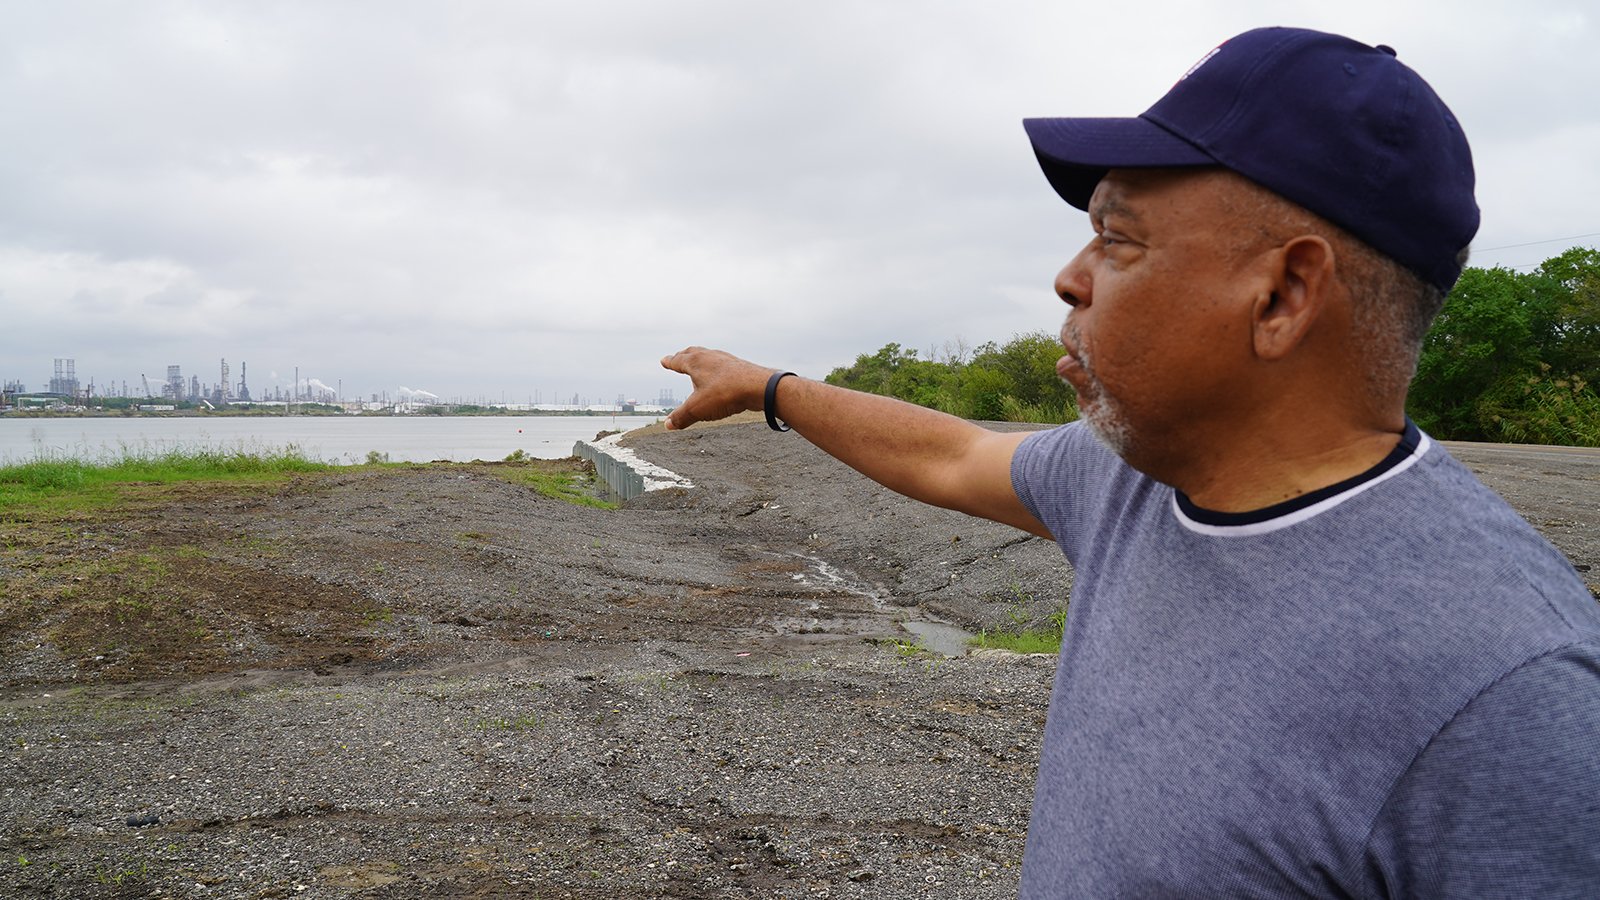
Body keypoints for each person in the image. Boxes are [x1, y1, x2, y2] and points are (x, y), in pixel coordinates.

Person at [661, 26, 1600, 898]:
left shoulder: (1509, 696)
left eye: (1118, 237)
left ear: (1283, 294)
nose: (1071, 276)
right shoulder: (1129, 481)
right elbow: (955, 454)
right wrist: (769, 388)